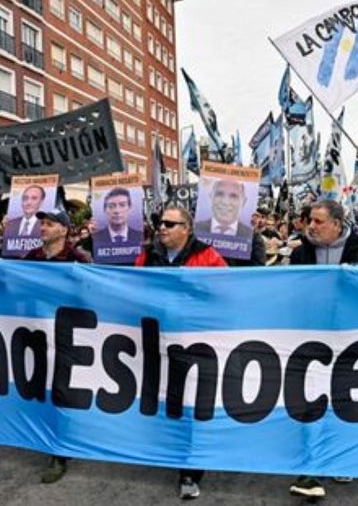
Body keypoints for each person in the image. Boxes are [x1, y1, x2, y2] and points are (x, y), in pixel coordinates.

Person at [287, 199, 358, 499]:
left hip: (349, 339)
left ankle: (340, 457)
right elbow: (287, 292)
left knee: (344, 400)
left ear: (337, 224)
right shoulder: (300, 253)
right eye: (309, 220)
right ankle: (311, 468)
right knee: (311, 399)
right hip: (311, 338)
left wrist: (355, 285)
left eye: (317, 221)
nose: (310, 226)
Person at [134, 206, 225, 499]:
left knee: (190, 405)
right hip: (157, 341)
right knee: (164, 399)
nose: (162, 228)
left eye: (170, 224)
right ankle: (167, 449)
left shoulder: (208, 256)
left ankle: (190, 470)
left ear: (187, 228)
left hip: (194, 345)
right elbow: (132, 290)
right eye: (161, 223)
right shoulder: (147, 255)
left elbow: (225, 293)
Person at [21, 208, 89, 482]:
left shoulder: (77, 260)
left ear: (63, 229)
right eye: (42, 224)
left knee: (61, 390)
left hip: (65, 336)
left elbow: (87, 296)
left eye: (49, 224)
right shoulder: (32, 258)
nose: (43, 228)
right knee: (41, 388)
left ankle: (59, 452)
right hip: (36, 335)